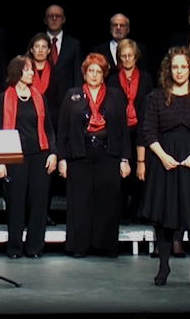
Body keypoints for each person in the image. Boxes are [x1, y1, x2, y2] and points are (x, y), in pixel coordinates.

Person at [139, 47, 190, 286]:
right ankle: (164, 266)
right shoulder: (156, 97)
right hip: (165, 161)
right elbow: (148, 130)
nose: (179, 71)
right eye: (175, 67)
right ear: (168, 70)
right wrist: (162, 156)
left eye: (184, 67)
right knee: (164, 217)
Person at [57, 53, 130, 257]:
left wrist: (125, 159)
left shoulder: (115, 95)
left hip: (108, 154)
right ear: (84, 73)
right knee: (80, 202)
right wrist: (62, 158)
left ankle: (104, 246)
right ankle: (79, 246)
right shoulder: (73, 95)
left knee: (107, 201)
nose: (94, 75)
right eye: (91, 71)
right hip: (80, 154)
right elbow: (62, 129)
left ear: (104, 74)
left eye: (98, 71)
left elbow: (123, 130)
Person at [0, 56, 58, 259]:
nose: (32, 73)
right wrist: (0, 161)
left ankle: (34, 247)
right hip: (15, 156)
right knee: (16, 201)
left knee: (38, 202)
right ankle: (14, 248)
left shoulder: (39, 97)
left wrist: (53, 153)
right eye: (28, 69)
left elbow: (49, 128)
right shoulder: (4, 97)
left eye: (32, 70)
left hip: (39, 155)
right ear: (17, 72)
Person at [107, 40, 153, 224]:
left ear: (136, 57)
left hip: (140, 129)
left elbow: (149, 107)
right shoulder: (112, 80)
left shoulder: (146, 78)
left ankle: (137, 212)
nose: (127, 59)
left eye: (130, 56)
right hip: (120, 130)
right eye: (123, 56)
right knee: (120, 172)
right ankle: (120, 213)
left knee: (140, 172)